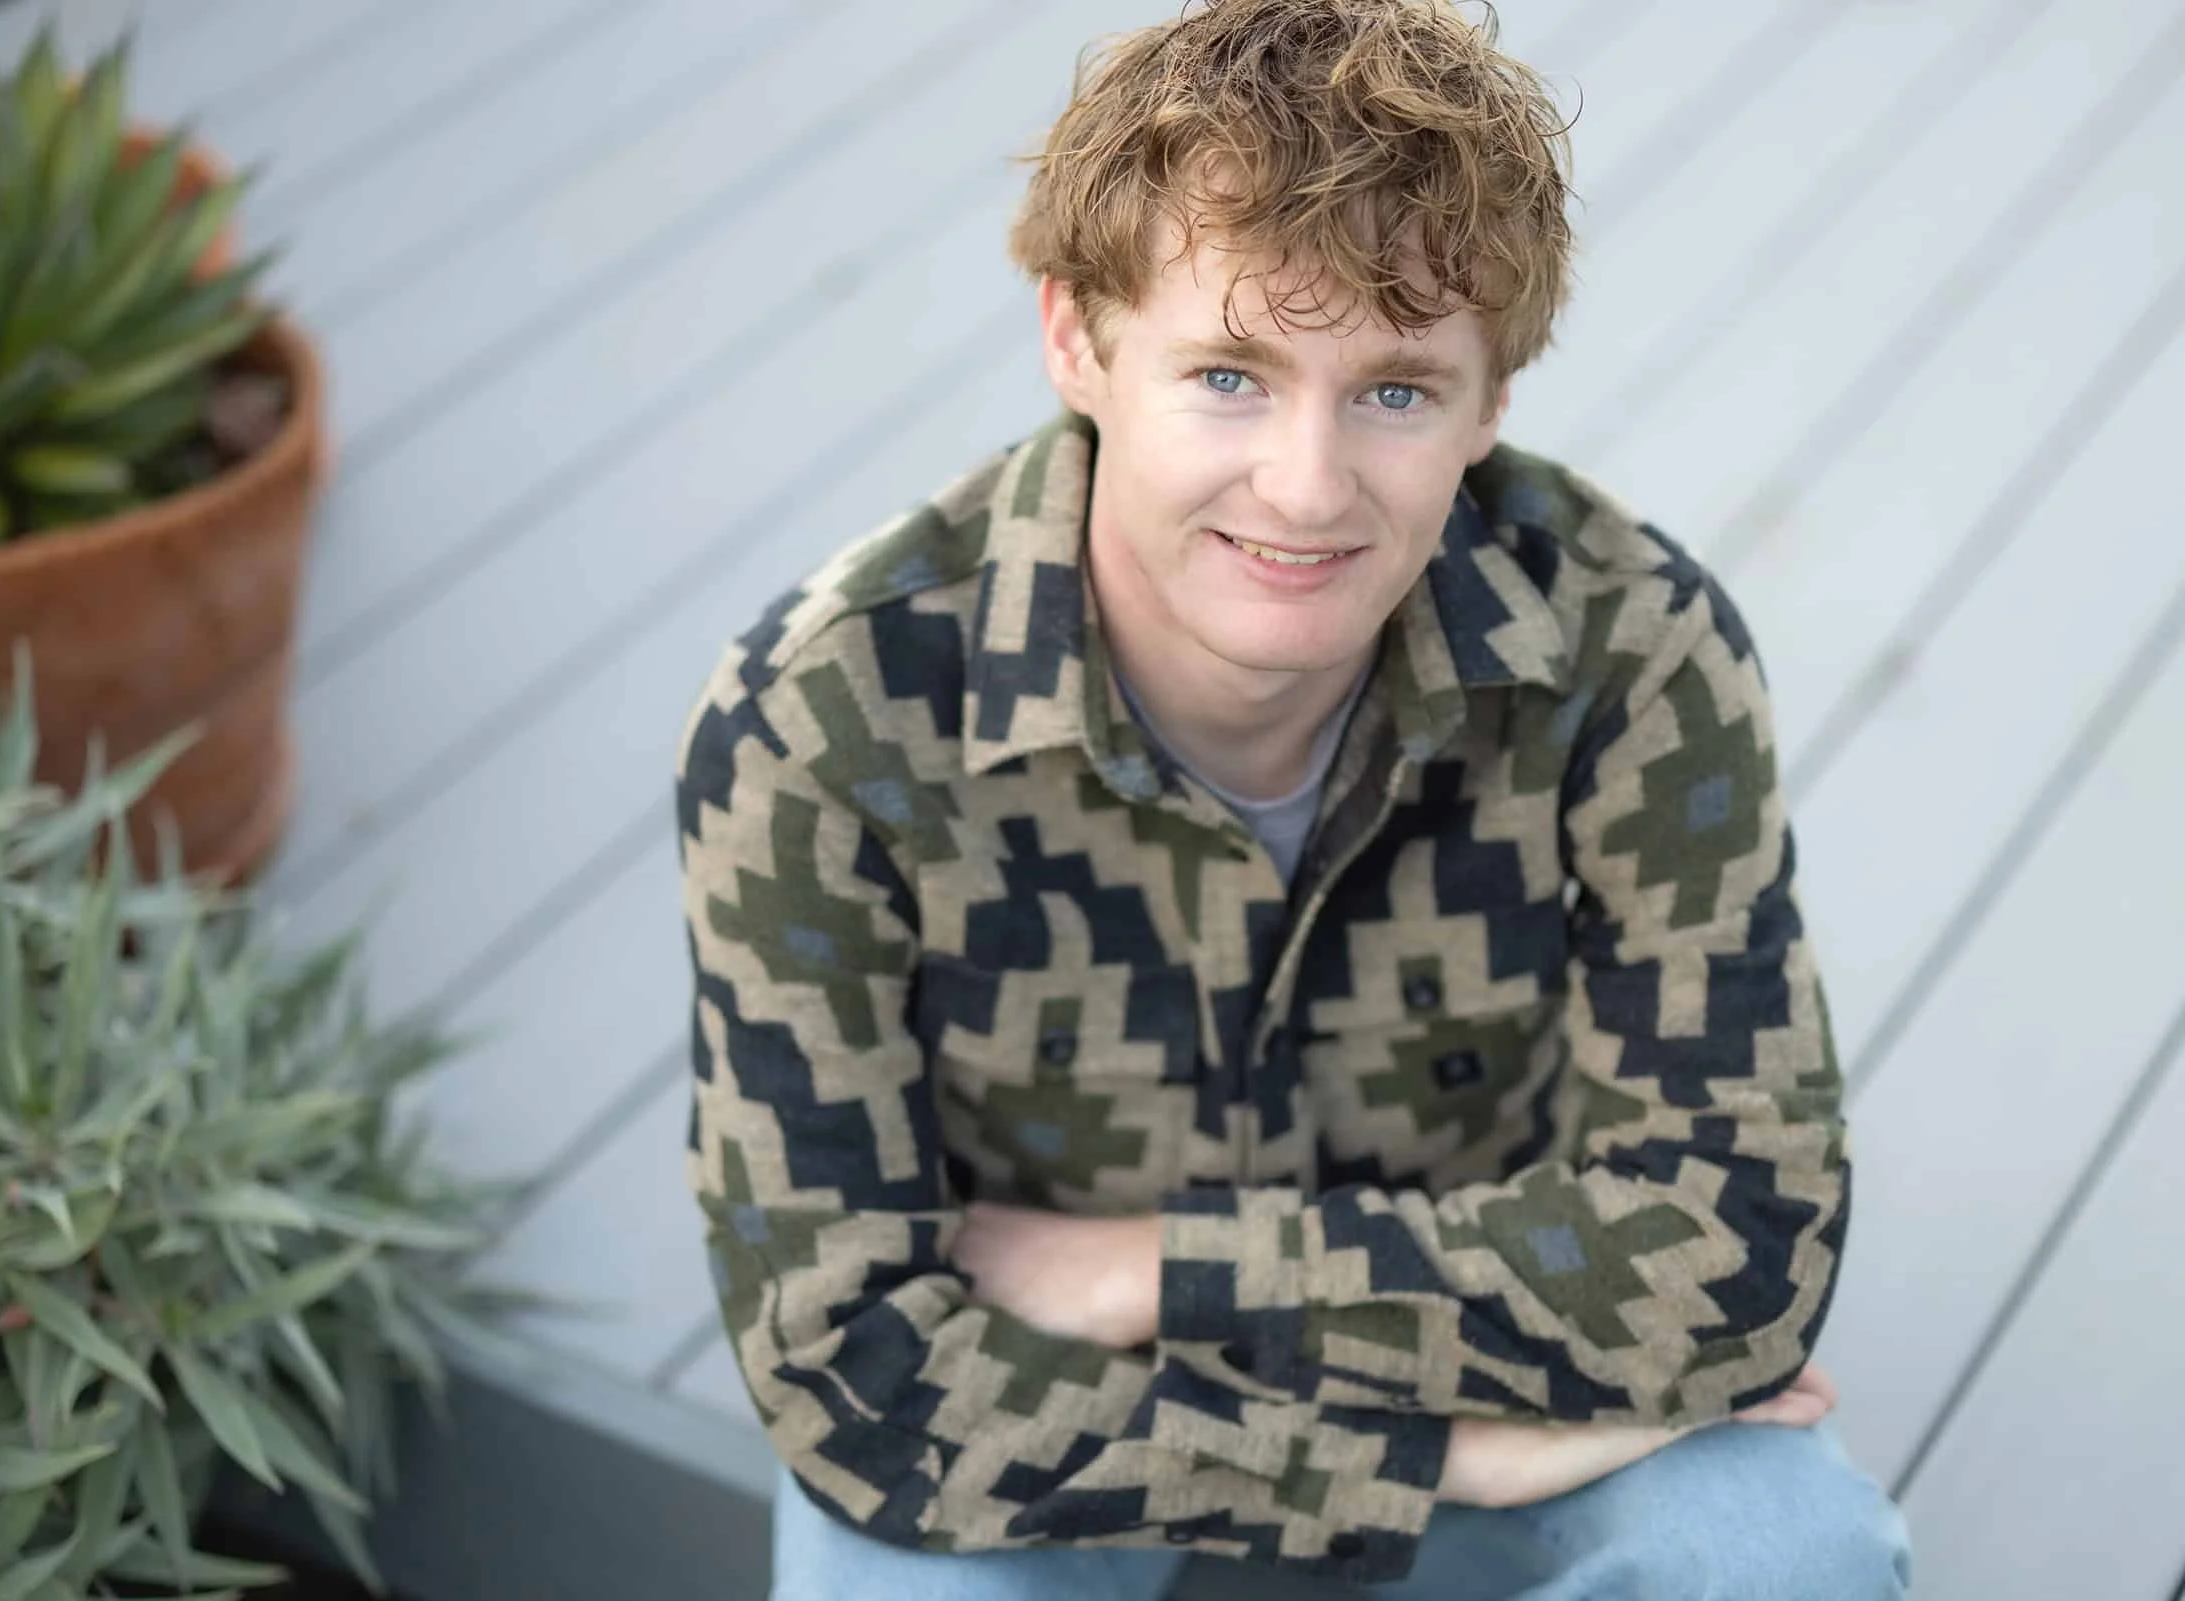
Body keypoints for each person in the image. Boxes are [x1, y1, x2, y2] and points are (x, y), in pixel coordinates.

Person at [673, 1, 1915, 1594]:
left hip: (1472, 1337)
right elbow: (853, 1368)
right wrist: (1427, 1465)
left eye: (1396, 391)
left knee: (1782, 1558)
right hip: (1064, 1409)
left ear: (1492, 401)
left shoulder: (1629, 651)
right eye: (1229, 375)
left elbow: (1738, 1245)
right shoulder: (825, 719)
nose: (1308, 488)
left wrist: (1161, 1272)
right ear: (1077, 342)